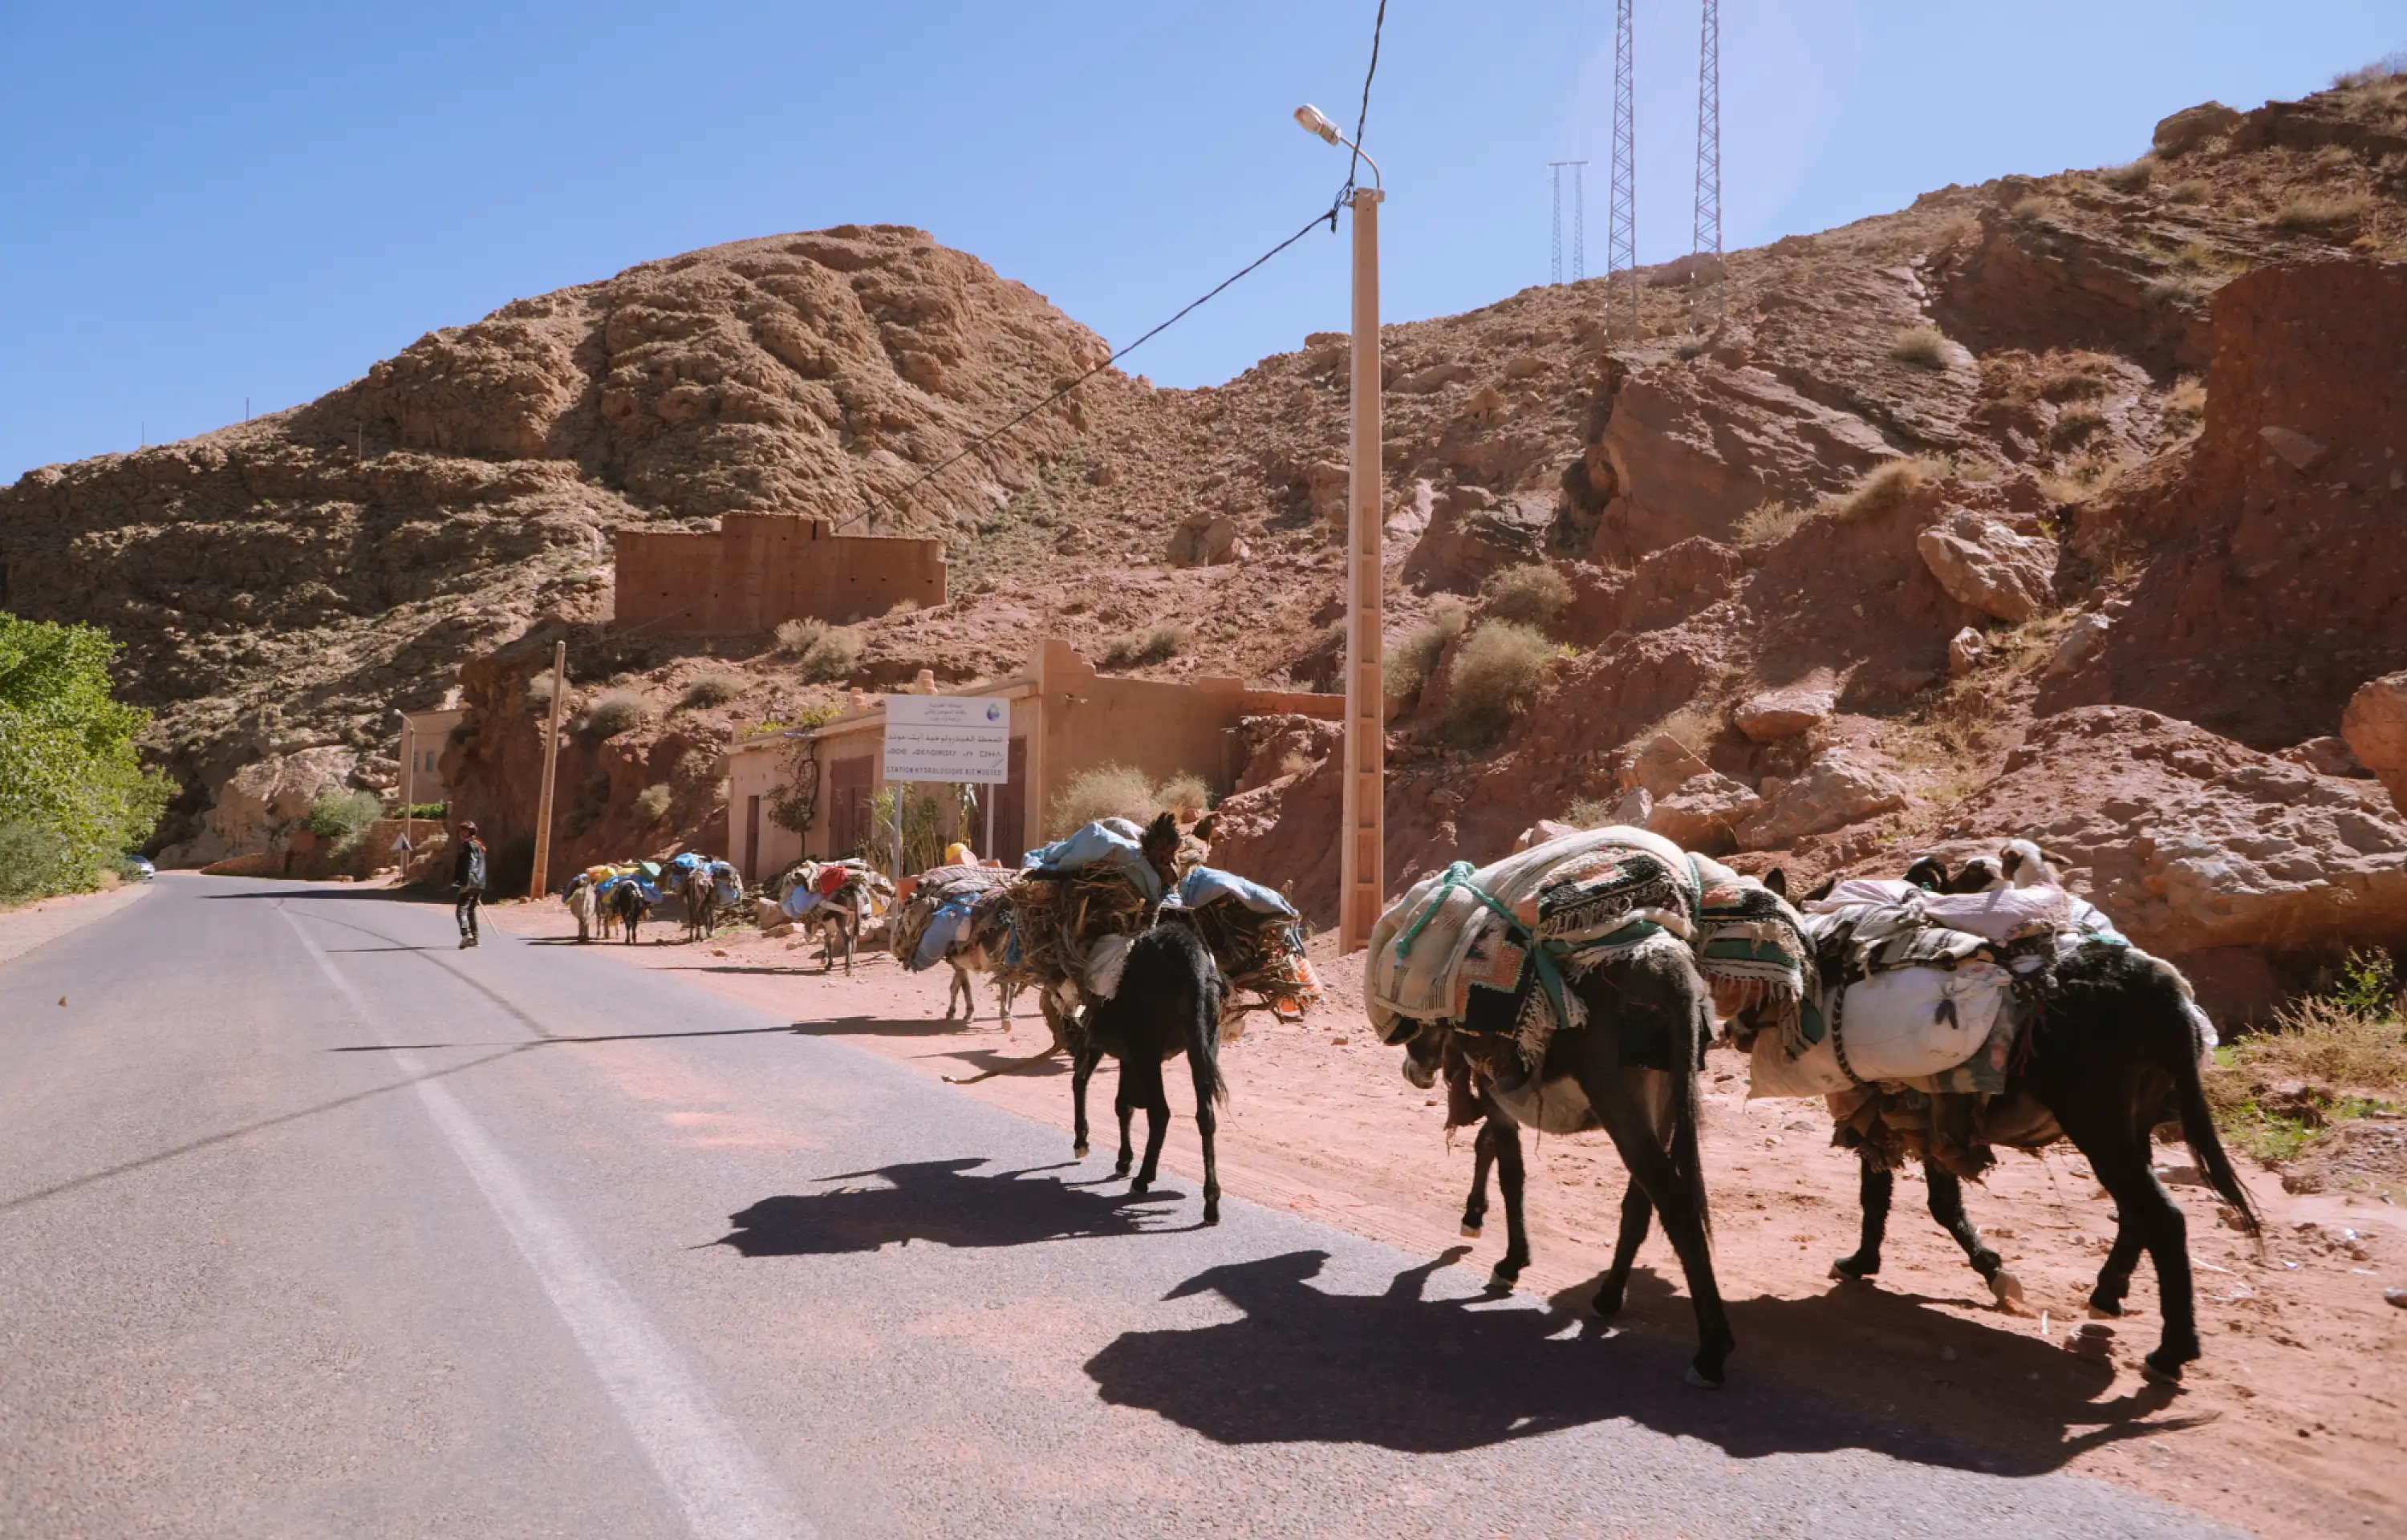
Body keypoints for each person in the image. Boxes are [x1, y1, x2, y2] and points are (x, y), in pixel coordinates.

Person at [452, 821, 489, 948]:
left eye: (464, 831)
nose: (461, 834)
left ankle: (466, 935)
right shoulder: (480, 845)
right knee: (471, 910)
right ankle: (475, 938)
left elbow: (471, 864)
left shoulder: (469, 846)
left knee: (461, 910)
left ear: (471, 832)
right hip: (479, 882)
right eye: (461, 831)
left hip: (470, 881)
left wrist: (466, 882)